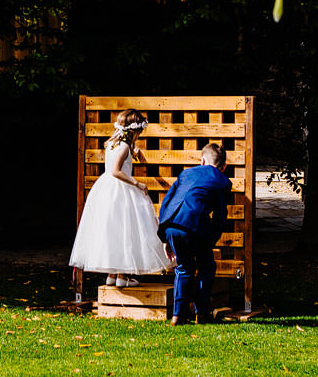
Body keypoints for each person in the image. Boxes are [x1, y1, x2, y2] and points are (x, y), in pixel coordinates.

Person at [69, 109, 164, 288]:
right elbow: (116, 170)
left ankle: (112, 275)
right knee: (126, 231)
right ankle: (122, 275)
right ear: (133, 131)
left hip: (106, 191)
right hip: (120, 190)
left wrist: (134, 154)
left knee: (114, 231)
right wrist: (137, 183)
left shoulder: (112, 145)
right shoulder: (124, 147)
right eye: (139, 133)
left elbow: (121, 159)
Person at [156, 141, 233, 325]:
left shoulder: (186, 173)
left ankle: (178, 315)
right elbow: (221, 215)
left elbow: (168, 201)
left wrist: (165, 235)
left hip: (173, 225)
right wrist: (212, 238)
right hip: (196, 226)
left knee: (183, 268)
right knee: (207, 267)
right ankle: (202, 312)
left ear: (202, 160)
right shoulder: (222, 181)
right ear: (223, 166)